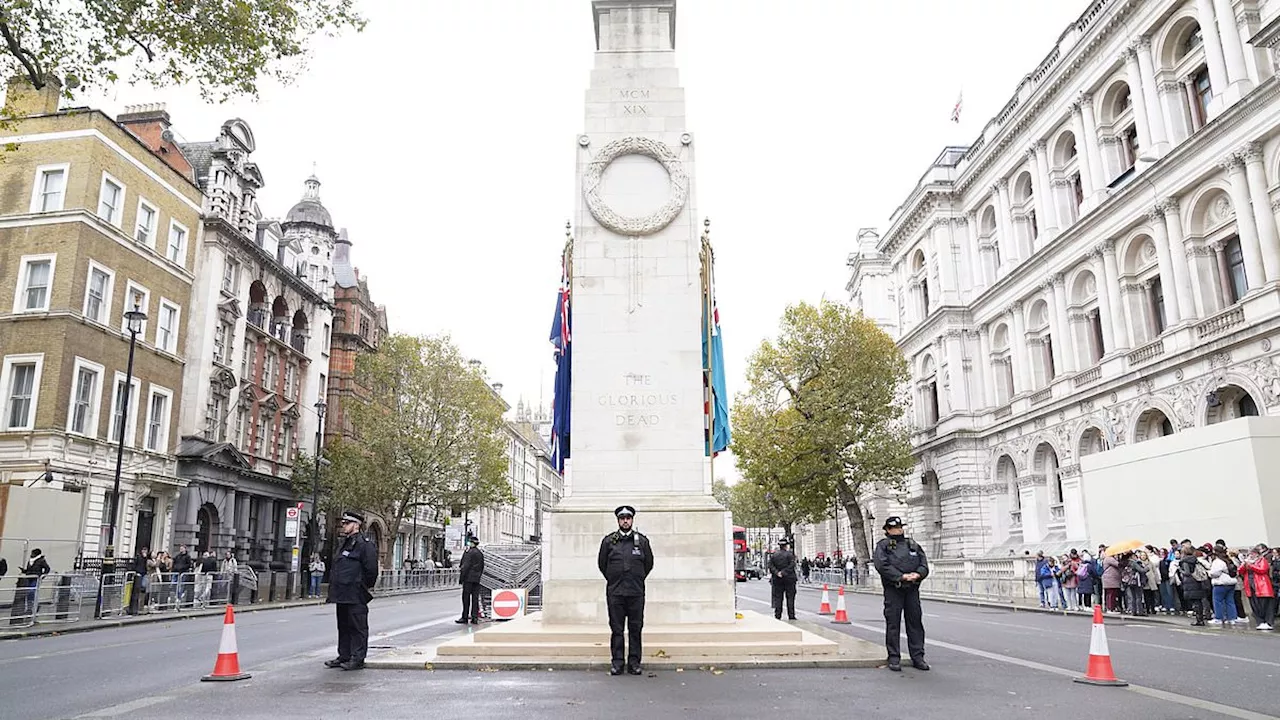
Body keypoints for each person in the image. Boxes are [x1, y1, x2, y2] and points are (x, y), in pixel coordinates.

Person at [597, 505, 654, 676]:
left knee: (635, 628)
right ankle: (617, 662)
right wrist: (614, 579)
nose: (625, 521)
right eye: (622, 518)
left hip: (636, 592)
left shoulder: (642, 541)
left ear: (632, 519)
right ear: (618, 520)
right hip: (616, 593)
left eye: (628, 518)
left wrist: (637, 578)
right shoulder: (609, 541)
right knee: (617, 629)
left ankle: (634, 663)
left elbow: (648, 564)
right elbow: (602, 564)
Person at [873, 516, 929, 672]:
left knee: (915, 623)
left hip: (912, 588)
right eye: (895, 528)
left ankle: (918, 656)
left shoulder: (912, 544)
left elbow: (924, 564)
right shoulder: (883, 546)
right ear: (888, 530)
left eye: (900, 527)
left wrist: (918, 574)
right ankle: (894, 657)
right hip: (894, 589)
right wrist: (900, 576)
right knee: (893, 624)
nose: (899, 530)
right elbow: (882, 565)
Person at [325, 511, 379, 671]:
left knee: (357, 627)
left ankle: (357, 658)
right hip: (342, 593)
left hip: (355, 592)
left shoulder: (364, 544)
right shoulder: (345, 543)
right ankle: (344, 655)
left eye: (346, 523)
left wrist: (363, 586)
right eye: (343, 523)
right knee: (343, 626)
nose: (343, 526)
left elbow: (371, 570)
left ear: (356, 525)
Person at [456, 536, 485, 624]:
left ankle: (465, 617)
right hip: (476, 579)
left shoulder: (469, 553)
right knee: (475, 598)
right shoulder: (480, 553)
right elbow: (482, 566)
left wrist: (461, 578)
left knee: (466, 598)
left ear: (471, 543)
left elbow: (465, 566)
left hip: (468, 578)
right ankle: (474, 617)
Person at [769, 538, 798, 620]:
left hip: (777, 579)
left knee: (778, 598)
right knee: (790, 598)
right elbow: (792, 565)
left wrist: (777, 573)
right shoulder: (790, 555)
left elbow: (770, 566)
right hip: (789, 579)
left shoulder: (774, 555)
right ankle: (791, 615)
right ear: (786, 546)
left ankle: (778, 615)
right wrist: (784, 572)